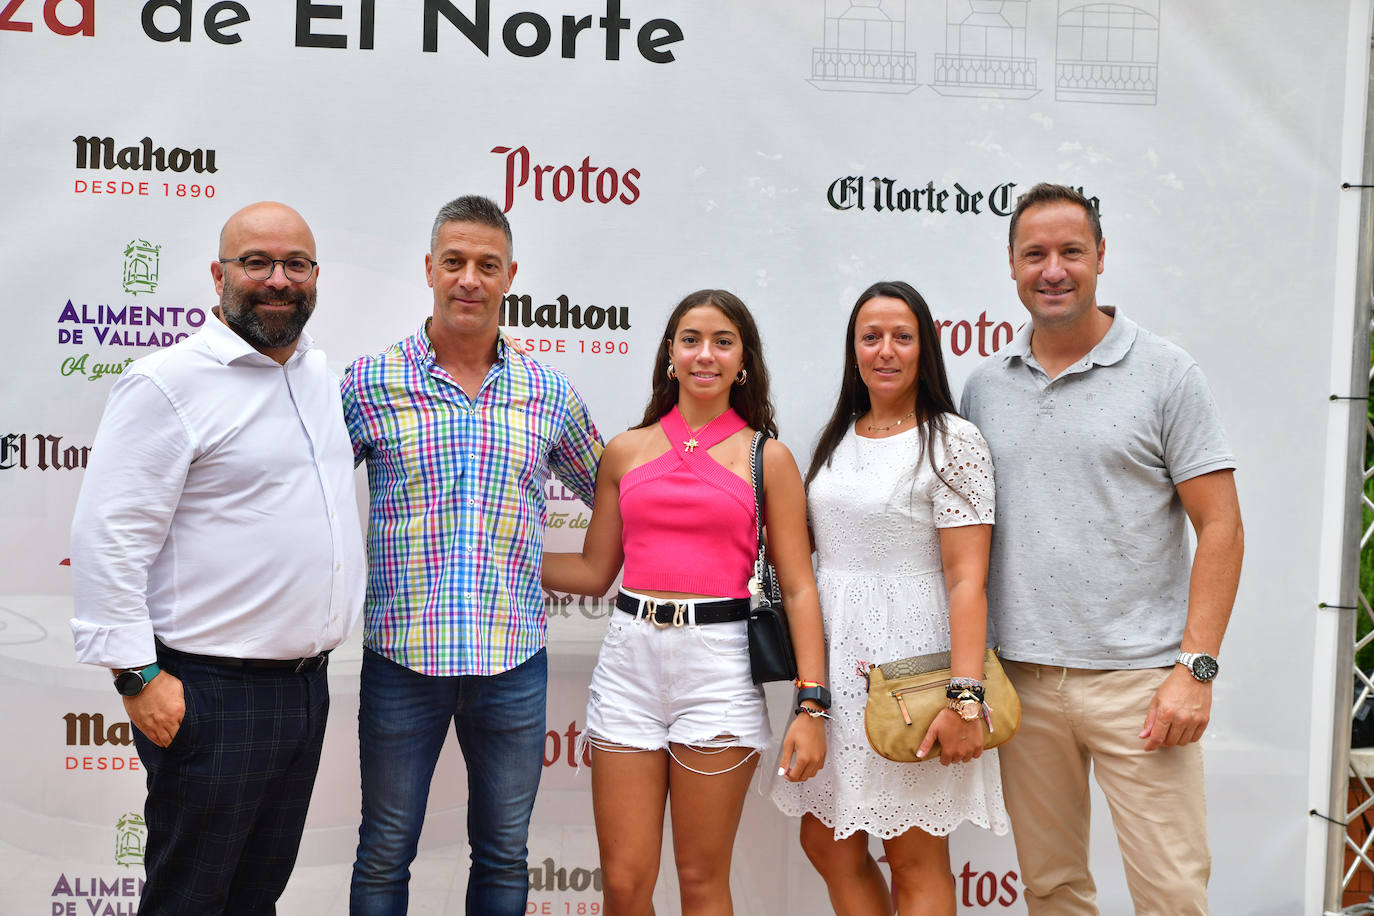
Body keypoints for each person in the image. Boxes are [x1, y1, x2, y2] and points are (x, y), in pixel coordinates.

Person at [68, 201, 366, 915]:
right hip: (210, 692)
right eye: (256, 262)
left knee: (254, 895)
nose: (277, 280)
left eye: (295, 263)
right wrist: (138, 676)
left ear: (316, 276)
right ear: (219, 274)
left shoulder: (319, 379)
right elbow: (108, 536)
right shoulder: (169, 384)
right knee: (191, 900)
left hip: (304, 691)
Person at [960, 183, 1244, 914]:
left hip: (1142, 686)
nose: (1053, 270)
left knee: (1173, 891)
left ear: (1101, 258)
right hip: (1023, 681)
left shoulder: (1166, 373)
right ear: (1013, 267)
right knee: (1052, 889)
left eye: (1070, 252)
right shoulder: (986, 387)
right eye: (1035, 254)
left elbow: (1222, 525)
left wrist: (1196, 669)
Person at [343, 195, 604, 915]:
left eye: (486, 266)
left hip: (511, 664)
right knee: (385, 848)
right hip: (401, 659)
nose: (469, 279)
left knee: (502, 854)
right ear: (429, 268)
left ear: (510, 275)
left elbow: (614, 487)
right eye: (454, 262)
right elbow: (307, 493)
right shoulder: (371, 383)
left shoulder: (545, 391)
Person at [542, 288, 828, 914]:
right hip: (628, 664)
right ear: (669, 354)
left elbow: (800, 585)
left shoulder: (767, 458)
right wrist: (497, 560)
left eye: (723, 341)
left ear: (743, 360)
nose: (706, 354)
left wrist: (812, 702)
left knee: (701, 884)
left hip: (719, 668)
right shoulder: (625, 450)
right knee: (623, 886)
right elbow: (595, 571)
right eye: (691, 340)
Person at [771, 280, 1008, 915]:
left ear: (926, 346)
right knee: (826, 838)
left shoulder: (952, 439)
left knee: (912, 853)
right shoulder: (839, 434)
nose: (885, 350)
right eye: (870, 337)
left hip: (913, 671)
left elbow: (967, 579)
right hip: (837, 668)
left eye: (902, 337)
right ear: (853, 350)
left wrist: (964, 696)